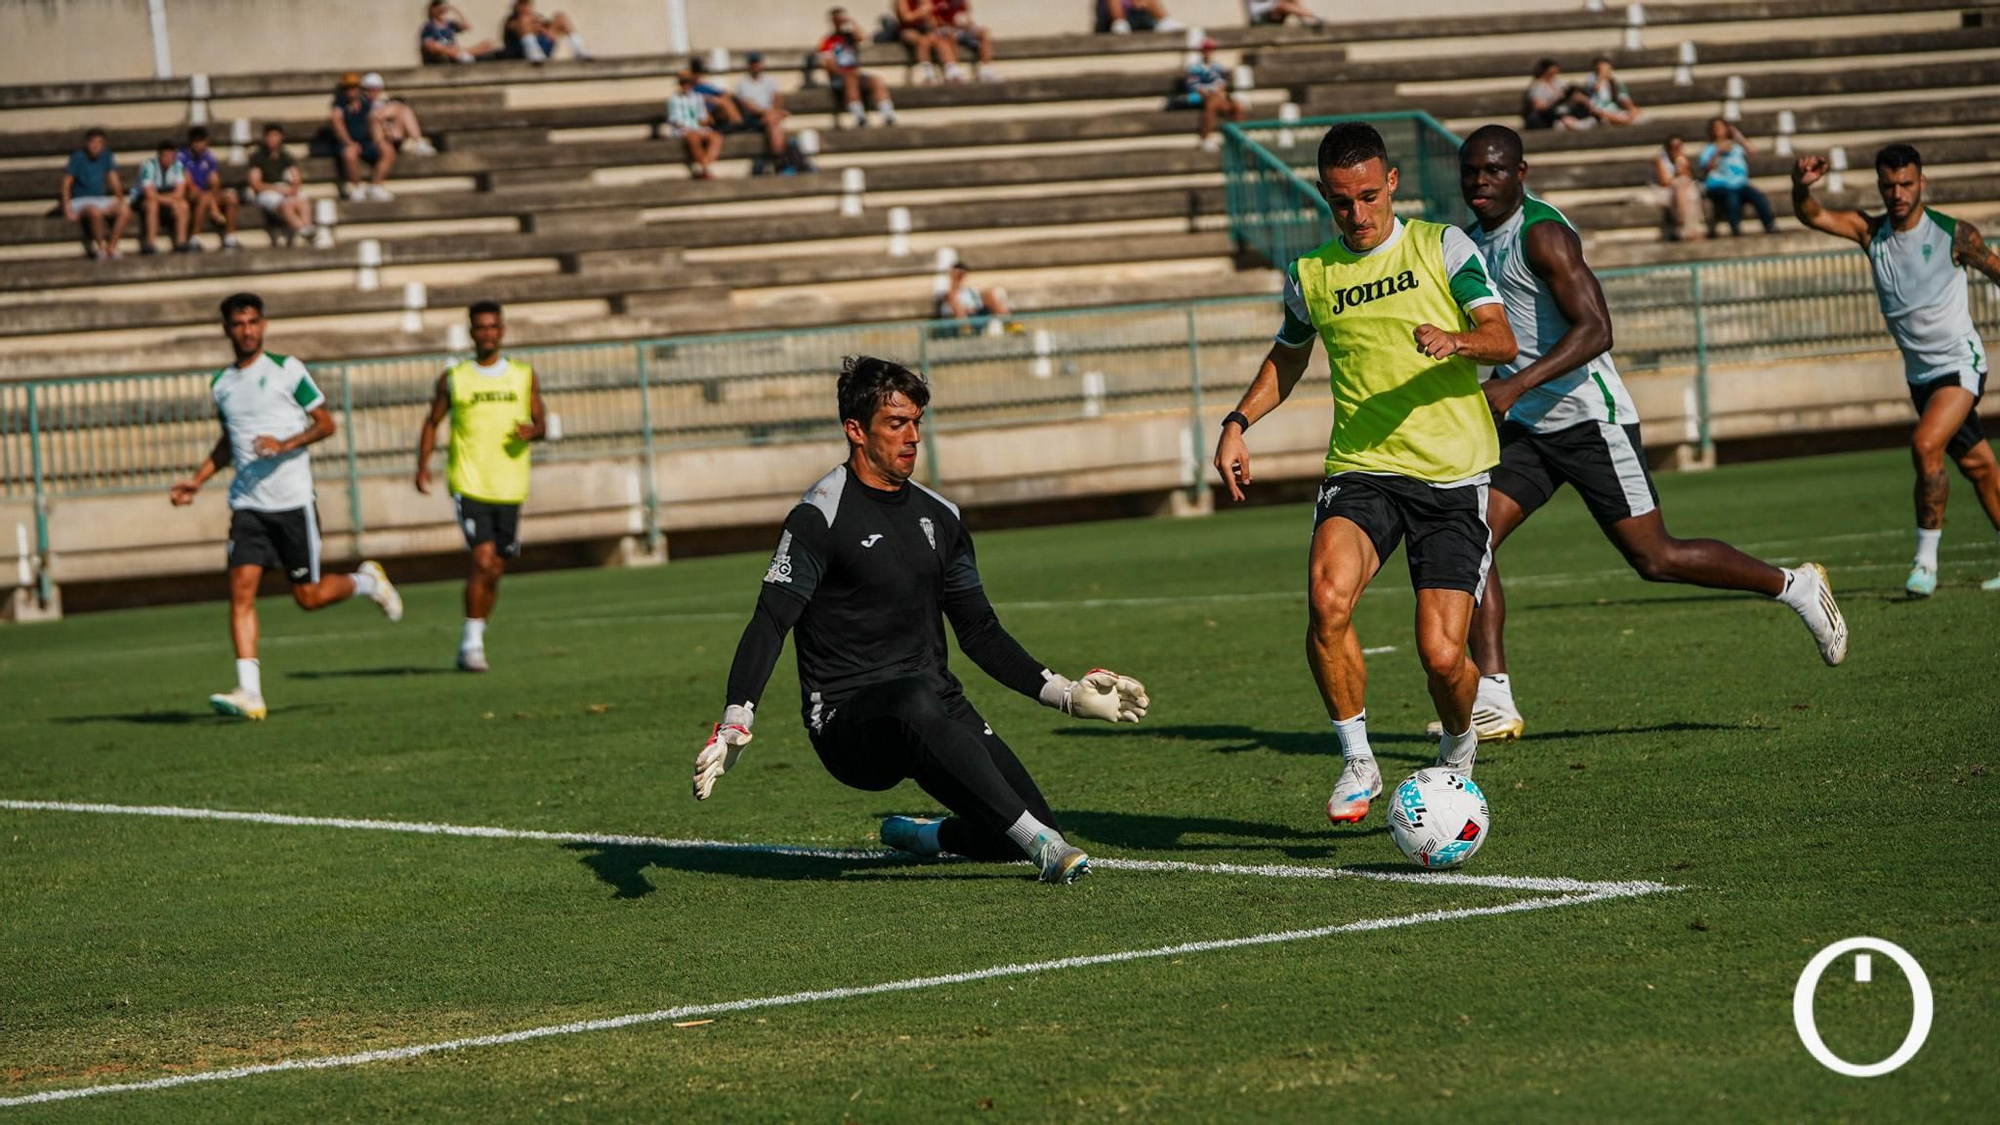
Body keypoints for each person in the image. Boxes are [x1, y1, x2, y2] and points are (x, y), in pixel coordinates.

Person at [1440, 125, 1845, 741]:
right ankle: (1494, 694)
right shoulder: (1468, 243)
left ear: (1521, 173)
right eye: (1471, 171)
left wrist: (1515, 384)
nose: (1479, 182)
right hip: (1527, 428)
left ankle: (1795, 586)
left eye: (1493, 170)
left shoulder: (1543, 234)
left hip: (1589, 421)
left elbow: (1598, 329)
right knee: (1471, 538)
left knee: (1655, 558)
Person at [694, 355, 1150, 884]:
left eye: (916, 423)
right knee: (922, 708)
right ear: (856, 431)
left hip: (936, 704)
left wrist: (1067, 694)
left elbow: (980, 631)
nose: (912, 436)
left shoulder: (942, 517)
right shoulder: (819, 514)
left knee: (1002, 818)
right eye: (895, 424)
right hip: (848, 726)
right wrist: (736, 719)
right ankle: (1042, 846)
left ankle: (930, 835)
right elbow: (770, 622)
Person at [1210, 122, 1518, 824]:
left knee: (1443, 658)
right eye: (1342, 201)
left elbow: (1503, 338)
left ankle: (1460, 749)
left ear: (1393, 185)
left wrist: (1457, 341)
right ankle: (1357, 756)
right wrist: (1237, 421)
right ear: (1325, 195)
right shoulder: (1311, 274)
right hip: (1363, 469)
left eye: (1370, 197)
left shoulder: (1442, 246)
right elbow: (1287, 356)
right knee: (1327, 600)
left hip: (1452, 472)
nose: (1358, 213)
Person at [169, 293, 403, 721]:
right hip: (248, 506)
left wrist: (284, 444)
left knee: (308, 598)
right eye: (238, 323)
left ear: (264, 324)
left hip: (293, 503)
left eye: (253, 321)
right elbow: (230, 441)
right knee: (240, 593)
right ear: (225, 329)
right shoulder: (221, 384)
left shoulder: (287, 370)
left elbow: (326, 424)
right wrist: (197, 480)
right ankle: (250, 693)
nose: (247, 330)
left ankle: (366, 581)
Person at [1793, 143, 2000, 595]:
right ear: (1880, 187)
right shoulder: (1872, 234)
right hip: (1921, 378)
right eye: (1889, 186)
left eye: (1907, 184)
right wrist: (1799, 185)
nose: (1898, 193)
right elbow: (1813, 215)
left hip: (1961, 365)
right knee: (1978, 465)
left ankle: (1924, 565)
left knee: (1926, 446)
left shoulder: (1954, 234)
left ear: (1922, 182)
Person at [414, 301, 546, 672]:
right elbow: (432, 421)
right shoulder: (454, 378)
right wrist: (422, 465)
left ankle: (474, 636)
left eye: (493, 327)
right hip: (470, 483)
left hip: (510, 485)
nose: (487, 333)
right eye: (480, 327)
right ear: (471, 333)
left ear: (501, 331)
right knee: (483, 559)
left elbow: (542, 422)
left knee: (495, 569)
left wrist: (532, 431)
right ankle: (472, 643)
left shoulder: (523, 375)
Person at [1696, 117, 1776, 237]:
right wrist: (1718, 153)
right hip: (1718, 185)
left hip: (1739, 183)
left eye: (1721, 127)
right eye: (1715, 128)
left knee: (1758, 196)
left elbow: (1752, 151)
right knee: (1732, 197)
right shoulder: (1708, 149)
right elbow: (1705, 168)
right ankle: (1736, 229)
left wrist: (1738, 136)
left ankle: (1770, 225)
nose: (1718, 130)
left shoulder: (1735, 146)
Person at [61, 128, 132, 261]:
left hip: (100, 199)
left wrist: (121, 200)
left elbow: (114, 180)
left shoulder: (106, 156)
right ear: (87, 143)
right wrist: (67, 209)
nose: (95, 146)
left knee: (125, 210)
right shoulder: (77, 157)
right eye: (93, 142)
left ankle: (112, 246)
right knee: (95, 212)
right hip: (80, 201)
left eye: (99, 142)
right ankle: (101, 248)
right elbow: (66, 184)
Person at [819, 8, 898, 128]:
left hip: (855, 74)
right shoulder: (828, 41)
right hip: (839, 78)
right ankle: (860, 118)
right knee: (851, 79)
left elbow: (863, 37)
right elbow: (829, 65)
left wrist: (851, 22)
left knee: (876, 80)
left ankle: (888, 116)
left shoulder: (850, 37)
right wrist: (845, 73)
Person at [243, 124, 317, 246]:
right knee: (285, 205)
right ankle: (304, 231)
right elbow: (256, 184)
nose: (272, 139)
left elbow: (296, 178)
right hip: (266, 191)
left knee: (303, 202)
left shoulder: (285, 155)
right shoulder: (258, 157)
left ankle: (307, 228)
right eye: (270, 136)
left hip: (284, 188)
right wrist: (278, 189)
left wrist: (292, 189)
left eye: (275, 135)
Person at [734, 52, 806, 175]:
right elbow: (750, 106)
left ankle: (780, 158)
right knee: (773, 121)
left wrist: (774, 111)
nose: (756, 66)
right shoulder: (743, 84)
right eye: (753, 63)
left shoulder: (770, 80)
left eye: (757, 63)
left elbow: (777, 97)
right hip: (753, 118)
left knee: (773, 122)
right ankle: (782, 160)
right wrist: (771, 112)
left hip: (770, 116)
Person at [331, 73, 397, 202]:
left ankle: (376, 186)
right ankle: (357, 188)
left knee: (388, 150)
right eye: (348, 88)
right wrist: (349, 142)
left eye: (354, 87)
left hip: (368, 141)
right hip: (349, 142)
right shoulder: (339, 107)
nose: (352, 91)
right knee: (349, 153)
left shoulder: (368, 103)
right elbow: (338, 125)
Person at [178, 126, 242, 250]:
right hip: (190, 193)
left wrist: (213, 203)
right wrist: (213, 206)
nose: (199, 145)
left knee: (232, 199)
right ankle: (194, 238)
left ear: (206, 142)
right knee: (204, 198)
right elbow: (189, 184)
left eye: (201, 141)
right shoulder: (182, 157)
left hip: (208, 194)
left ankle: (230, 237)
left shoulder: (209, 158)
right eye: (196, 141)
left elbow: (215, 182)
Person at [1179, 37, 1245, 153]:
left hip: (1216, 97)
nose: (1208, 51)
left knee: (1237, 106)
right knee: (1212, 103)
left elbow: (1221, 85)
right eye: (1206, 49)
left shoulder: (1218, 67)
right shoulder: (1194, 68)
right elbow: (1193, 87)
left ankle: (1238, 138)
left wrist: (1218, 94)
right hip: (1196, 97)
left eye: (1210, 49)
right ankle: (1206, 138)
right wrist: (1211, 94)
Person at [129, 138, 190, 254]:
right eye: (165, 155)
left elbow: (180, 193)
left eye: (171, 156)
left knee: (183, 205)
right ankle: (150, 244)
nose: (168, 159)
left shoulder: (178, 166)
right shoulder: (148, 166)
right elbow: (149, 194)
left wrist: (170, 200)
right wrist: (171, 200)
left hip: (164, 196)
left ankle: (181, 243)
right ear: (159, 155)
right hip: (141, 200)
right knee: (152, 205)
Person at [360, 73, 438, 156]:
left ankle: (418, 142)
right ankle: (416, 143)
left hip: (392, 135)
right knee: (377, 116)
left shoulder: (384, 101)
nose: (374, 91)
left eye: (376, 88)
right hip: (376, 138)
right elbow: (374, 117)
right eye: (371, 89)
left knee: (404, 110)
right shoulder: (363, 104)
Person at [665, 72, 724, 179]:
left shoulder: (697, 97)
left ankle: (704, 164)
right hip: (682, 130)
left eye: (688, 83)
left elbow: (702, 118)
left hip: (697, 128)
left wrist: (709, 118)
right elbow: (674, 120)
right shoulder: (674, 99)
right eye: (683, 83)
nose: (686, 85)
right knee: (694, 138)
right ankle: (705, 168)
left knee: (716, 137)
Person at [1652, 135, 1705, 242]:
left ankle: (1686, 225)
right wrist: (1677, 173)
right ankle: (1688, 227)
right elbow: (1665, 181)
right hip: (1666, 191)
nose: (1676, 149)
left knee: (1690, 194)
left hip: (1683, 192)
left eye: (1679, 146)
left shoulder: (1683, 158)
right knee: (1681, 188)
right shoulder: (1660, 160)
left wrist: (1681, 164)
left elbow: (1688, 177)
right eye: (1673, 146)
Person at [894, 0, 960, 85]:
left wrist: (931, 18)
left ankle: (952, 72)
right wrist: (920, 12)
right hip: (907, 30)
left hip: (924, 30)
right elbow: (906, 18)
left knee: (941, 41)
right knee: (923, 41)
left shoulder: (925, 2)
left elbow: (932, 23)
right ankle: (927, 75)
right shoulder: (902, 1)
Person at [503, 0, 592, 63]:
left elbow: (547, 27)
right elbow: (514, 28)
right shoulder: (512, 21)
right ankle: (533, 52)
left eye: (526, 4)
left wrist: (540, 27)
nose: (524, 7)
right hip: (522, 52)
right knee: (524, 20)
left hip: (542, 46)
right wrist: (537, 27)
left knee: (560, 17)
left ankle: (579, 49)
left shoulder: (536, 17)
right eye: (521, 4)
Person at [936, 0, 998, 82]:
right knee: (949, 36)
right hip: (947, 31)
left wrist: (967, 24)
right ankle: (954, 72)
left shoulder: (960, 2)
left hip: (963, 30)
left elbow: (967, 17)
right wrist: (951, 25)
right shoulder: (937, 2)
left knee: (984, 32)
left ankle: (986, 69)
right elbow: (933, 20)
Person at [935, 261, 1012, 325]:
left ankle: (1011, 324)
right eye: (959, 274)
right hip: (954, 320)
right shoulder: (944, 291)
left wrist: (971, 309)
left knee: (991, 294)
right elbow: (948, 304)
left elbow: (978, 306)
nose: (960, 277)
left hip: (974, 317)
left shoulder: (971, 292)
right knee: (953, 299)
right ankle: (965, 329)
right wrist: (954, 282)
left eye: (962, 274)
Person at [420, 1, 496, 63]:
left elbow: (467, 26)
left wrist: (455, 10)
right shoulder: (429, 27)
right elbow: (428, 45)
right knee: (436, 45)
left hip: (456, 50)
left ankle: (464, 54)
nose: (442, 12)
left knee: (487, 44)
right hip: (443, 54)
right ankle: (463, 55)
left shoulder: (450, 24)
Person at [1585, 56, 1641, 126]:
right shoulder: (1592, 78)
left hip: (1613, 109)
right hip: (1598, 110)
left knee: (1637, 111)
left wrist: (1631, 108)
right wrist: (1601, 76)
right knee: (1600, 114)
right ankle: (1624, 121)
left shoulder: (1615, 82)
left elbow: (1624, 97)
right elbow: (1596, 88)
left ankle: (1625, 120)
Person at [1521, 59, 1566, 130]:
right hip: (1545, 115)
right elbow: (1539, 106)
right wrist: (1555, 99)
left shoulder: (1558, 83)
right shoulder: (1536, 85)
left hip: (1560, 111)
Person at [1097, 0, 1183, 34]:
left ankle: (1164, 21)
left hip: (1135, 19)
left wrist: (1139, 4)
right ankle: (1120, 23)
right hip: (1110, 22)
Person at [1246, 0, 1325, 26]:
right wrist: (1274, 5)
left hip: (1275, 14)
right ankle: (1310, 16)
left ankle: (1308, 18)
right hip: (1260, 18)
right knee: (1282, 5)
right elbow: (1255, 10)